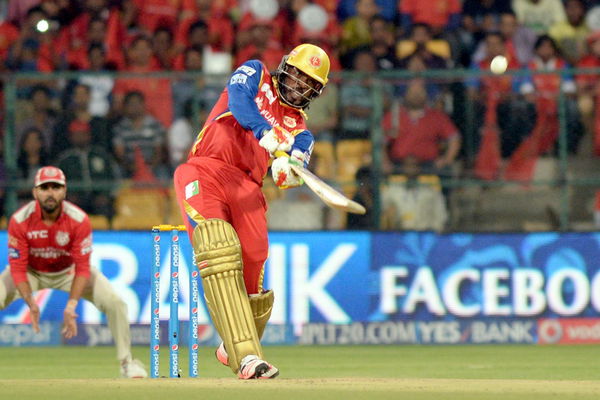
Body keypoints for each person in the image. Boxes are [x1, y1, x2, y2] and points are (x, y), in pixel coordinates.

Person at [173, 43, 330, 379]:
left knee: (254, 271)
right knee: (218, 247)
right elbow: (238, 100)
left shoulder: (301, 129)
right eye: (297, 75)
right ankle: (247, 358)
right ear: (285, 66)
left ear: (315, 92)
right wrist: (265, 132)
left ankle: (231, 349)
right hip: (206, 169)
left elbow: (297, 165)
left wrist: (288, 172)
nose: (298, 85)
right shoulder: (256, 73)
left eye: (308, 83)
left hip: (248, 187)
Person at [2, 166, 147, 378]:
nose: (50, 193)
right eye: (44, 187)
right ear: (35, 192)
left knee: (116, 303)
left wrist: (71, 305)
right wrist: (31, 303)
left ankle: (127, 363)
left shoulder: (78, 219)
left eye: (56, 187)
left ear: (64, 191)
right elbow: (17, 266)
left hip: (69, 271)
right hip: (30, 271)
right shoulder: (20, 220)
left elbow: (82, 266)